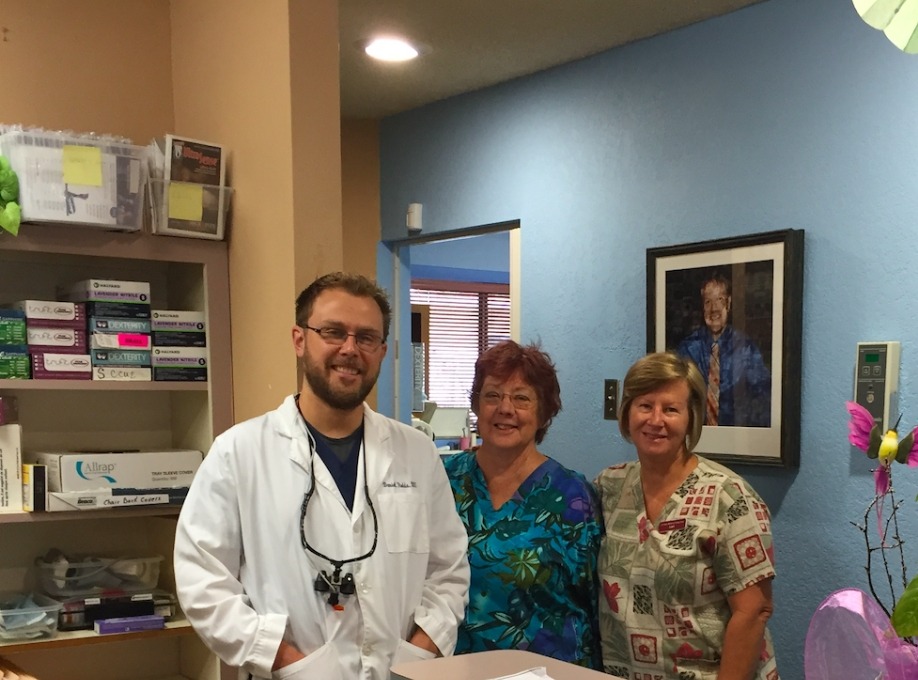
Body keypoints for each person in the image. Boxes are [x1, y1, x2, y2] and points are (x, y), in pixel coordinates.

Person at [174, 272, 470, 680]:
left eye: (366, 338)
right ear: (299, 339)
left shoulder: (416, 453)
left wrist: (419, 653)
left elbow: (448, 569)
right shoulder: (238, 453)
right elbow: (203, 581)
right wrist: (286, 662)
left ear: (382, 351)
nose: (350, 349)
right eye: (333, 332)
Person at [594, 352, 778, 680]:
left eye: (670, 409)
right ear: (627, 413)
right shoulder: (608, 487)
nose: (655, 419)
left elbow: (754, 611)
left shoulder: (729, 498)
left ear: (691, 418)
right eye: (645, 405)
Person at [442, 340, 602, 668]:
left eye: (521, 398)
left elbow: (593, 604)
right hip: (452, 669)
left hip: (548, 671)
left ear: (543, 412)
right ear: (476, 405)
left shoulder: (572, 497)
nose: (505, 409)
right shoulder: (442, 481)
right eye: (493, 395)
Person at [676, 271, 771, 427]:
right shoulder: (687, 349)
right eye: (708, 302)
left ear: (729, 303)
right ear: (702, 307)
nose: (714, 309)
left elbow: (763, 401)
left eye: (720, 299)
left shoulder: (746, 349)